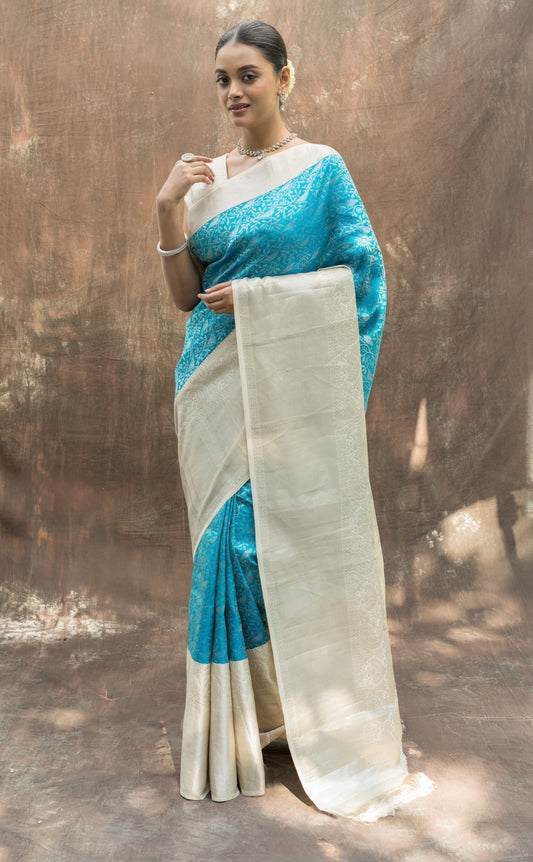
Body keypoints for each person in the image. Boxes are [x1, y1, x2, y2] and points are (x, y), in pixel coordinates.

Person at [156, 20, 434, 821]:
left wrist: (259, 299)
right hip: (209, 385)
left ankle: (297, 715)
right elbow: (182, 298)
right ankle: (244, 729)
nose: (233, 92)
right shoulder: (202, 181)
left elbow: (363, 278)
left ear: (285, 78)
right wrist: (167, 208)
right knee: (219, 549)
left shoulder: (320, 171)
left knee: (259, 545)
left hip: (285, 386)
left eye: (248, 75)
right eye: (221, 80)